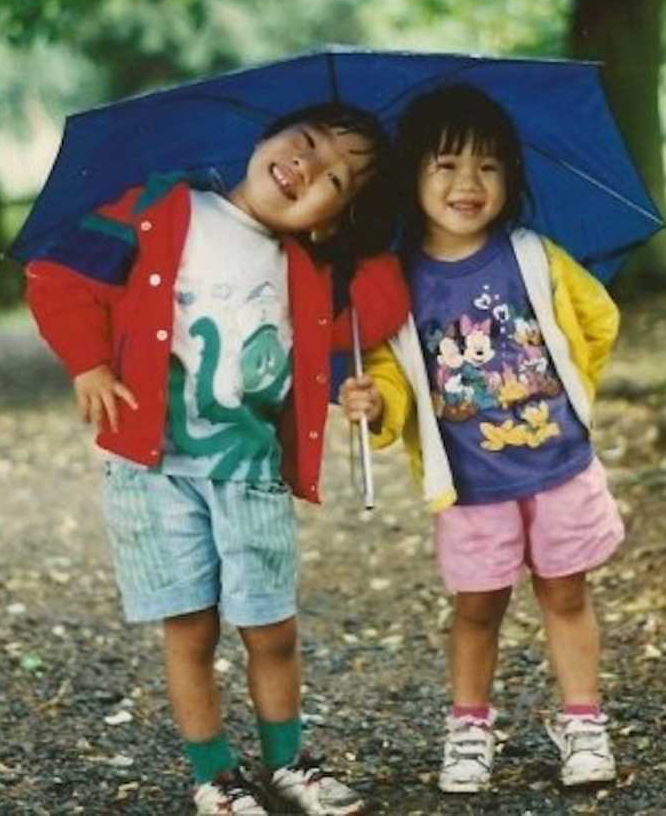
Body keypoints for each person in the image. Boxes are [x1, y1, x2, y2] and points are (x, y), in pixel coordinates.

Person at [26, 102, 409, 816]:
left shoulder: (309, 268)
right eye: (305, 140)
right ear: (264, 135)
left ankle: (288, 762)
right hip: (155, 468)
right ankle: (215, 775)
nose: (309, 165)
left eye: (336, 178)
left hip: (251, 470)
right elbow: (60, 277)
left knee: (271, 626)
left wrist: (371, 246)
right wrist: (88, 364)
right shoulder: (162, 207)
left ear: (333, 216)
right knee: (191, 624)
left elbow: (374, 318)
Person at [339, 85, 624, 792]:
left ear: (511, 179)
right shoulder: (392, 281)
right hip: (470, 486)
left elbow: (598, 320)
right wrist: (376, 404)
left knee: (565, 593)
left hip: (558, 466)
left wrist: (569, 394)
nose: (468, 183)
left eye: (489, 167)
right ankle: (469, 727)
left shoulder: (533, 257)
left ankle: (582, 719)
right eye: (445, 164)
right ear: (412, 176)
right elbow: (390, 373)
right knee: (477, 605)